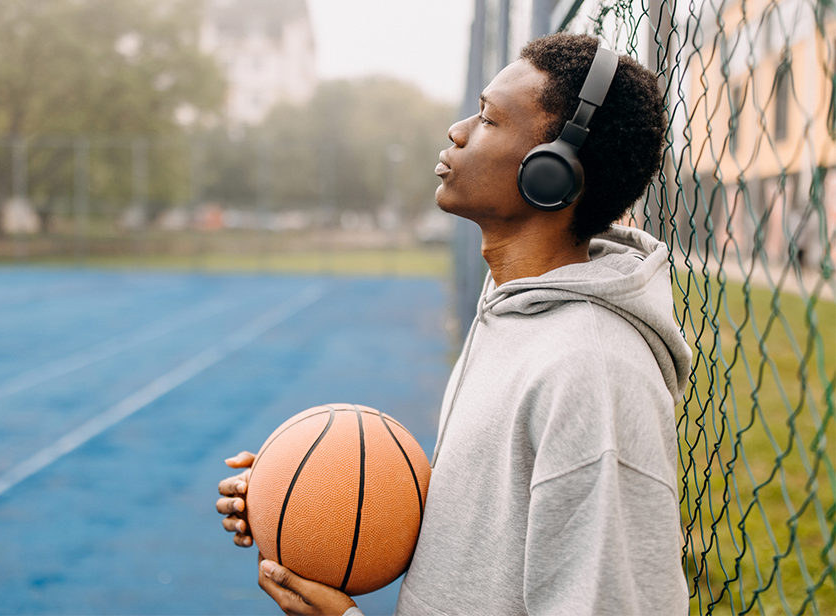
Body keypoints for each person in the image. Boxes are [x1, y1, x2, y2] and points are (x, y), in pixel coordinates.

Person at [216, 32, 692, 616]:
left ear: (552, 173)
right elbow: (487, 527)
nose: (458, 130)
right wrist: (299, 497)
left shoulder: (590, 373)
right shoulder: (514, 308)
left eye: (490, 120)